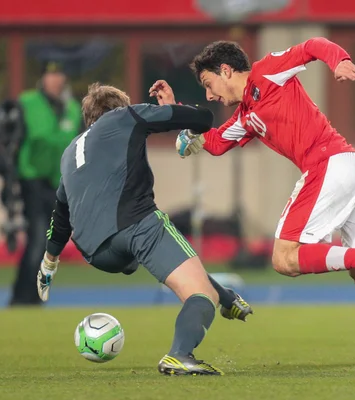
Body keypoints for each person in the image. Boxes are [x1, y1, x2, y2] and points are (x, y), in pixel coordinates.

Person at [149, 37, 355, 370]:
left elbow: (313, 45)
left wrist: (339, 61)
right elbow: (215, 143)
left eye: (208, 84)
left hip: (329, 164)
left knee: (284, 258)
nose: (209, 95)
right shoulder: (246, 116)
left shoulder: (267, 71)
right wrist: (174, 114)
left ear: (226, 69)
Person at [35, 83, 253, 376]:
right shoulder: (126, 116)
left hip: (97, 252)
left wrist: (49, 264)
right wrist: (171, 107)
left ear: (88, 119)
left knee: (177, 263)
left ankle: (226, 297)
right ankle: (180, 354)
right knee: (200, 295)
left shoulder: (70, 152)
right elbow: (202, 120)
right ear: (121, 107)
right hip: (135, 224)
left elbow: (60, 215)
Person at [10, 61, 83, 306]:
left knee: (49, 242)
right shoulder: (27, 103)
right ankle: (25, 298)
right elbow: (11, 141)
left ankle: (27, 297)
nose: (55, 80)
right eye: (50, 75)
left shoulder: (72, 108)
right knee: (39, 240)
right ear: (43, 79)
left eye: (59, 74)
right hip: (31, 179)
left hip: (58, 183)